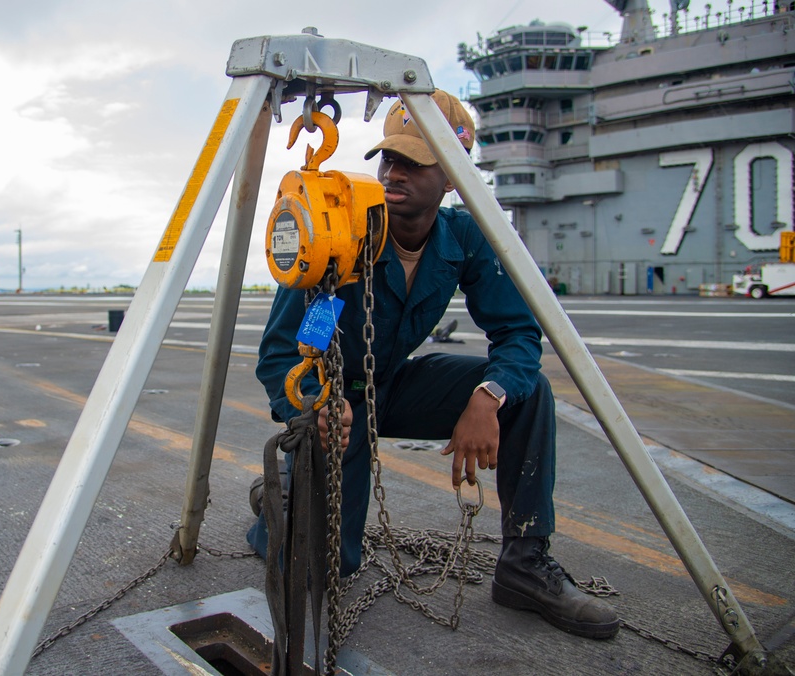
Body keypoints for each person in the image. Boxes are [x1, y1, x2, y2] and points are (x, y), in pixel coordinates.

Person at [247, 89, 619, 639]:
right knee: (324, 570)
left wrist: (489, 394)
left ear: (451, 177)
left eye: (413, 163)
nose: (393, 173)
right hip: (338, 404)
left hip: (394, 385)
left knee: (529, 390)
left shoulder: (465, 239)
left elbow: (517, 332)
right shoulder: (343, 234)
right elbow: (286, 349)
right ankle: (278, 497)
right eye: (389, 159)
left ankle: (524, 565)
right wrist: (315, 407)